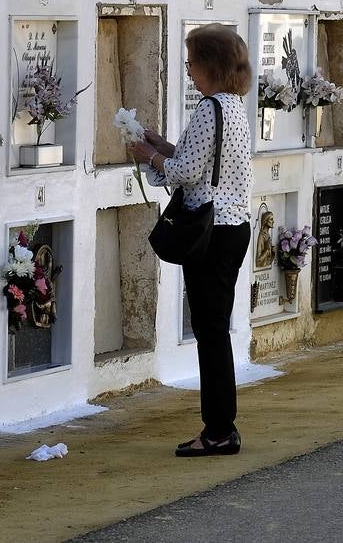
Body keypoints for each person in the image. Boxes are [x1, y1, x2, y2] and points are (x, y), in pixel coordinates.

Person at [131, 23, 252, 457]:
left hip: (210, 233)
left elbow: (184, 172)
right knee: (214, 328)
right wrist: (156, 141)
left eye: (192, 61)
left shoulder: (208, 108)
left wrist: (150, 157)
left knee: (211, 332)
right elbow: (194, 157)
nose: (188, 69)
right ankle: (221, 426)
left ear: (211, 64)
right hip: (233, 228)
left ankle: (219, 430)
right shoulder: (233, 106)